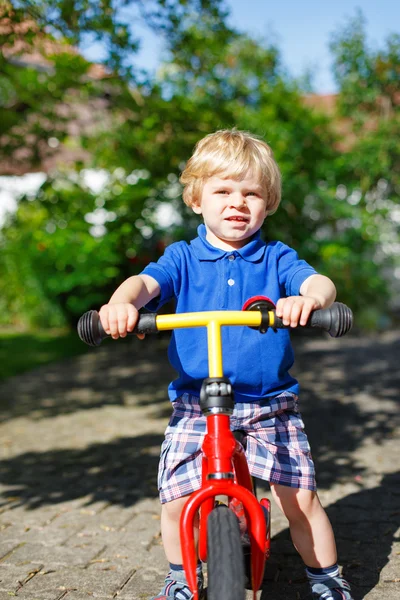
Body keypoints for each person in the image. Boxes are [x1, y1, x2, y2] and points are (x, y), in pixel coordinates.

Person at [99, 129, 353, 600]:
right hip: (197, 404)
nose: (238, 203)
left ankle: (326, 577)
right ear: (197, 199)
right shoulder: (182, 258)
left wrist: (307, 299)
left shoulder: (276, 258)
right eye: (223, 190)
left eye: (251, 193)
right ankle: (180, 576)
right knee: (175, 501)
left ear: (268, 203)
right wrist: (121, 305)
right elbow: (143, 285)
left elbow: (320, 283)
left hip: (268, 404)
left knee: (300, 500)